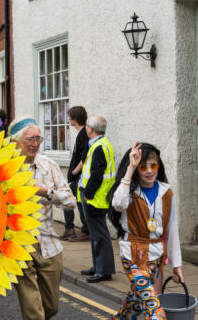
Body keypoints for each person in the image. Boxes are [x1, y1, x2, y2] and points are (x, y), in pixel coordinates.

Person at [8, 117, 76, 320]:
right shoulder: (5, 169)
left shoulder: (49, 165)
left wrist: (47, 193)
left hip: (49, 242)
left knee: (51, 306)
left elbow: (70, 202)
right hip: (19, 244)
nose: (35, 144)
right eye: (30, 139)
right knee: (33, 312)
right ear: (16, 142)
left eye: (38, 138)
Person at [109, 142, 184, 319]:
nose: (149, 171)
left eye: (153, 165)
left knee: (134, 305)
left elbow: (171, 230)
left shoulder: (166, 192)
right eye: (143, 166)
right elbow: (118, 204)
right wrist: (130, 168)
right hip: (133, 256)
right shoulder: (129, 190)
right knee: (154, 309)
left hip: (156, 256)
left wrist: (177, 265)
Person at [79, 115, 116, 283]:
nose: (86, 128)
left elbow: (97, 175)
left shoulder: (99, 146)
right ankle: (97, 266)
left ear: (90, 129)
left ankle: (103, 271)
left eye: (87, 125)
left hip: (95, 198)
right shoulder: (100, 144)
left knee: (100, 235)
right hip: (96, 196)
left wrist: (87, 194)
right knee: (96, 234)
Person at [62, 106, 90, 241]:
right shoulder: (81, 133)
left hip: (79, 177)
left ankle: (83, 231)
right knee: (68, 199)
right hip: (76, 178)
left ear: (74, 118)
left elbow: (85, 157)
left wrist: (74, 171)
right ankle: (70, 229)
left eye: (69, 117)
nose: (68, 119)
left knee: (71, 199)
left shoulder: (84, 134)